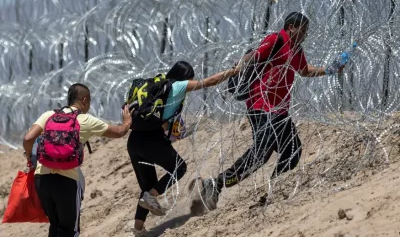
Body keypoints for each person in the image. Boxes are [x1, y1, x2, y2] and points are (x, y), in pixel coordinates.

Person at [196, 12, 346, 210]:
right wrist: (239, 66)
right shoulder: (276, 39)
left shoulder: (296, 49)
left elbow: (304, 71)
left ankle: (274, 189)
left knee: (292, 151)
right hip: (261, 106)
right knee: (262, 153)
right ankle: (216, 183)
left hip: (280, 110)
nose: (306, 34)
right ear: (291, 27)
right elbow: (254, 56)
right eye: (303, 29)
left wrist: (329, 69)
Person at [128, 61, 239, 236]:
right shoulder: (177, 85)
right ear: (186, 77)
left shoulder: (157, 85)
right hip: (151, 139)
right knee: (180, 167)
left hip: (133, 140)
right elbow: (209, 82)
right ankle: (151, 197)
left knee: (147, 187)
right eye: (190, 80)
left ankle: (138, 229)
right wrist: (234, 71)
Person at [23, 83, 133, 237]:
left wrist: (30, 157)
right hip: (67, 181)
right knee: (70, 231)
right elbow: (120, 131)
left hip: (42, 180)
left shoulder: (49, 115)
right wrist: (127, 121)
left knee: (55, 226)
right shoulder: (85, 120)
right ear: (84, 100)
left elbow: (28, 139)